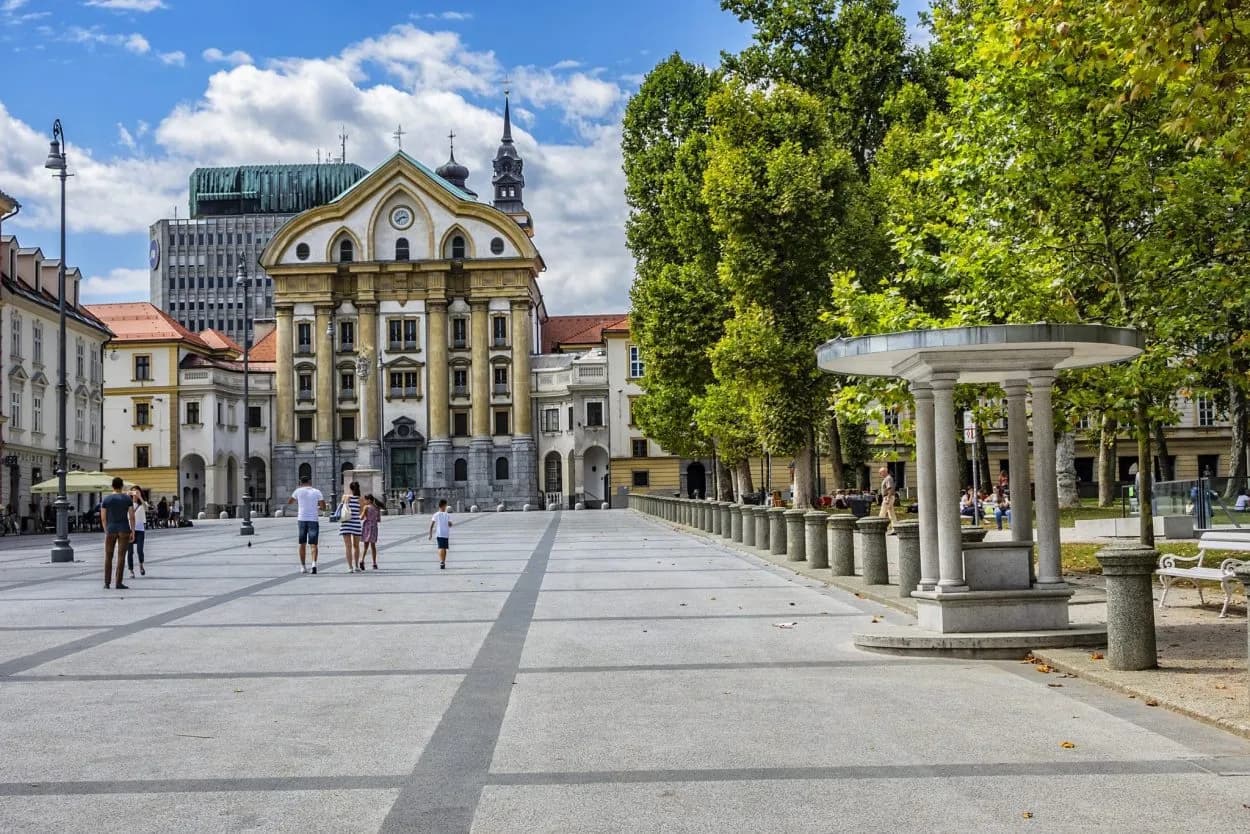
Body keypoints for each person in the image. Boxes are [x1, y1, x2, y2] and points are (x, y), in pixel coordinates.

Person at [99, 477, 134, 590]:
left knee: (108, 556)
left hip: (111, 529)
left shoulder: (106, 499)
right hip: (124, 528)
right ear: (122, 486)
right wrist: (132, 530)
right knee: (121, 557)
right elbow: (132, 516)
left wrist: (106, 530)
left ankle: (107, 583)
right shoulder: (127, 498)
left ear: (112, 486)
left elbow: (103, 518)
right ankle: (118, 582)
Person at [287, 473, 326, 574]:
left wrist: (299, 497)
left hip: (302, 519)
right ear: (310, 482)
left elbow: (290, 502)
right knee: (314, 544)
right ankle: (313, 564)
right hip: (313, 519)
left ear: (300, 483)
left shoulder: (298, 491)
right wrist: (317, 506)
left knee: (302, 543)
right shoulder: (317, 492)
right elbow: (323, 507)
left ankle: (303, 566)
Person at [339, 481, 363, 573]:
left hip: (346, 523)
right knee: (356, 546)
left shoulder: (345, 497)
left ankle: (350, 567)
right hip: (356, 523)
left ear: (350, 488)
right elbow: (360, 512)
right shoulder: (360, 499)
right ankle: (356, 566)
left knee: (348, 547)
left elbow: (341, 508)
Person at [126, 486, 149, 578]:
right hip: (129, 529)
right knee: (130, 551)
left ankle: (141, 565)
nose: (135, 493)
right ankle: (131, 570)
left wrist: (140, 497)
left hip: (140, 529)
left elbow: (147, 508)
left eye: (137, 491)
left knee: (140, 550)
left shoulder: (142, 503)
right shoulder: (127, 503)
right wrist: (127, 496)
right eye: (133, 492)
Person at [428, 498, 452, 569]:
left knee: (443, 548)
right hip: (444, 534)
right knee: (442, 548)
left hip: (441, 534)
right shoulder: (447, 515)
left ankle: (443, 562)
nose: (446, 507)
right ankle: (442, 561)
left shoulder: (436, 514)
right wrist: (450, 523)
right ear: (443, 506)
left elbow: (431, 525)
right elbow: (450, 525)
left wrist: (430, 534)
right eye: (446, 505)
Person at [361, 494, 380, 569]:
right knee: (373, 546)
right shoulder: (376, 507)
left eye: (365, 500)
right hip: (374, 527)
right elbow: (378, 519)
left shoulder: (366, 507)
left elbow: (361, 517)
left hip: (367, 527)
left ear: (369, 500)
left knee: (365, 546)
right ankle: (374, 563)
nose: (364, 501)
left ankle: (362, 560)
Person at [878, 466, 897, 532]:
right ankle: (895, 528)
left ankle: (879, 528)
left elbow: (890, 489)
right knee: (891, 514)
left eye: (880, 473)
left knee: (882, 513)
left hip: (888, 497)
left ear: (884, 472)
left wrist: (888, 498)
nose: (880, 474)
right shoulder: (887, 478)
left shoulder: (888, 478)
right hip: (889, 497)